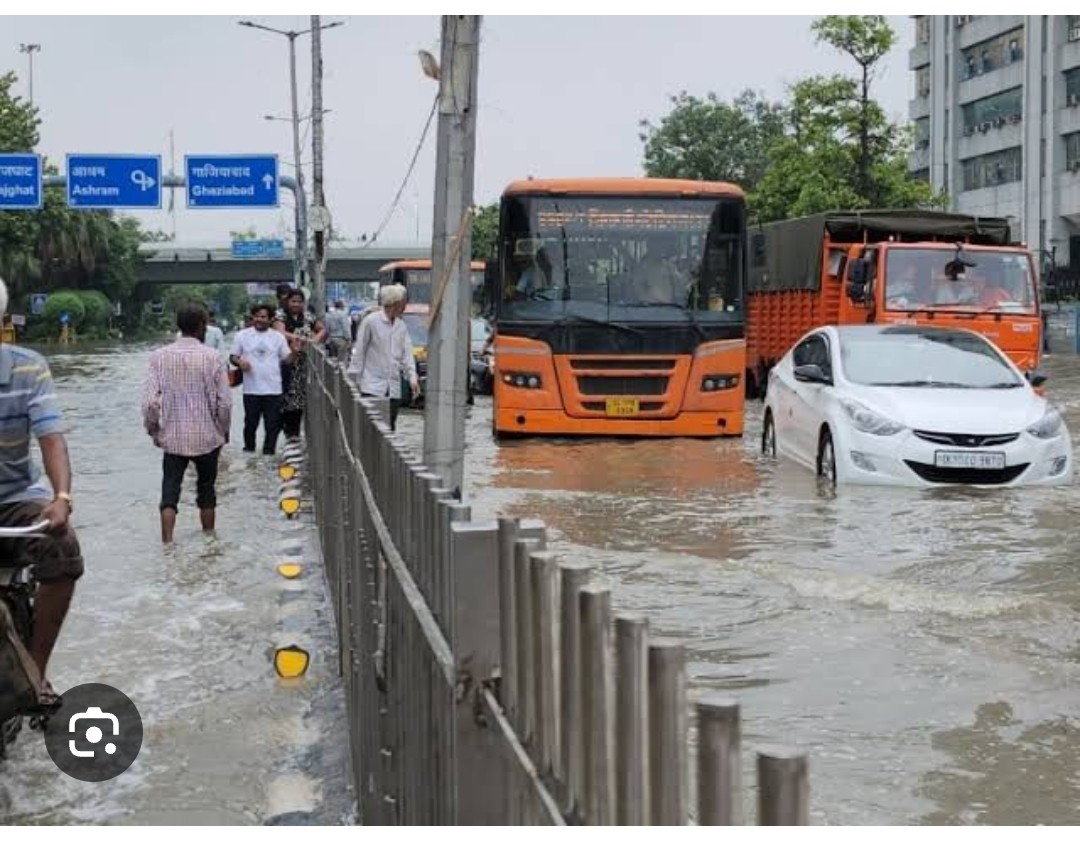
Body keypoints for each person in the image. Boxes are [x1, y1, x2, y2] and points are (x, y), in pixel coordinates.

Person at [0, 277, 81, 710]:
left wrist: (61, 497)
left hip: (13, 499)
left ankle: (36, 672)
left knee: (62, 547)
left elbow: (51, 438)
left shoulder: (28, 367)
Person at [142, 303, 232, 545]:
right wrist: (223, 431)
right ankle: (209, 543)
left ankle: (167, 545)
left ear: (178, 326)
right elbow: (224, 403)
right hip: (207, 437)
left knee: (169, 493)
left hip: (173, 437)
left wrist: (154, 431)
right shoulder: (213, 358)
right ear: (203, 326)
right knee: (207, 492)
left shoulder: (159, 357)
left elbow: (150, 403)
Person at [348, 284, 419, 432]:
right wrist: (353, 381)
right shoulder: (371, 322)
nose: (405, 305)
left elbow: (407, 354)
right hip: (371, 385)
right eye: (403, 301)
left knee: (390, 427)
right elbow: (359, 352)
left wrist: (412, 378)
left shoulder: (401, 326)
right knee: (372, 429)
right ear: (396, 303)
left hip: (393, 387)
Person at [230, 304, 293, 455]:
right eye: (256, 316)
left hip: (273, 389)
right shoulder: (242, 335)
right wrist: (240, 362)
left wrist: (295, 352)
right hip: (251, 389)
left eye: (263, 317)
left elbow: (287, 360)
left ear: (270, 319)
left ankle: (268, 454)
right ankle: (249, 452)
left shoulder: (278, 337)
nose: (259, 319)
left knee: (273, 425)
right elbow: (233, 356)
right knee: (250, 424)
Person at [274, 289, 327, 440]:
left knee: (300, 397)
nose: (296, 304)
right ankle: (287, 431)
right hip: (286, 362)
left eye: (299, 301)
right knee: (287, 396)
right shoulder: (280, 315)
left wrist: (314, 339)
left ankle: (295, 432)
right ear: (287, 302)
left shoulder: (308, 316)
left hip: (304, 363)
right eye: (293, 301)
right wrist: (299, 338)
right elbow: (280, 332)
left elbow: (322, 329)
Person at [626, 235, 683, 304]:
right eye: (661, 245)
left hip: (671, 310)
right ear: (651, 246)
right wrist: (650, 301)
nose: (665, 249)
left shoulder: (670, 266)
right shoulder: (643, 267)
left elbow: (680, 288)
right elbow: (638, 290)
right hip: (650, 310)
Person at [324, 298, 353, 363]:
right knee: (342, 361)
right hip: (341, 339)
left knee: (333, 360)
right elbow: (346, 328)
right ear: (342, 306)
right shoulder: (343, 314)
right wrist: (349, 339)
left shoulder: (329, 315)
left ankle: (332, 372)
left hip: (331, 339)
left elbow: (327, 328)